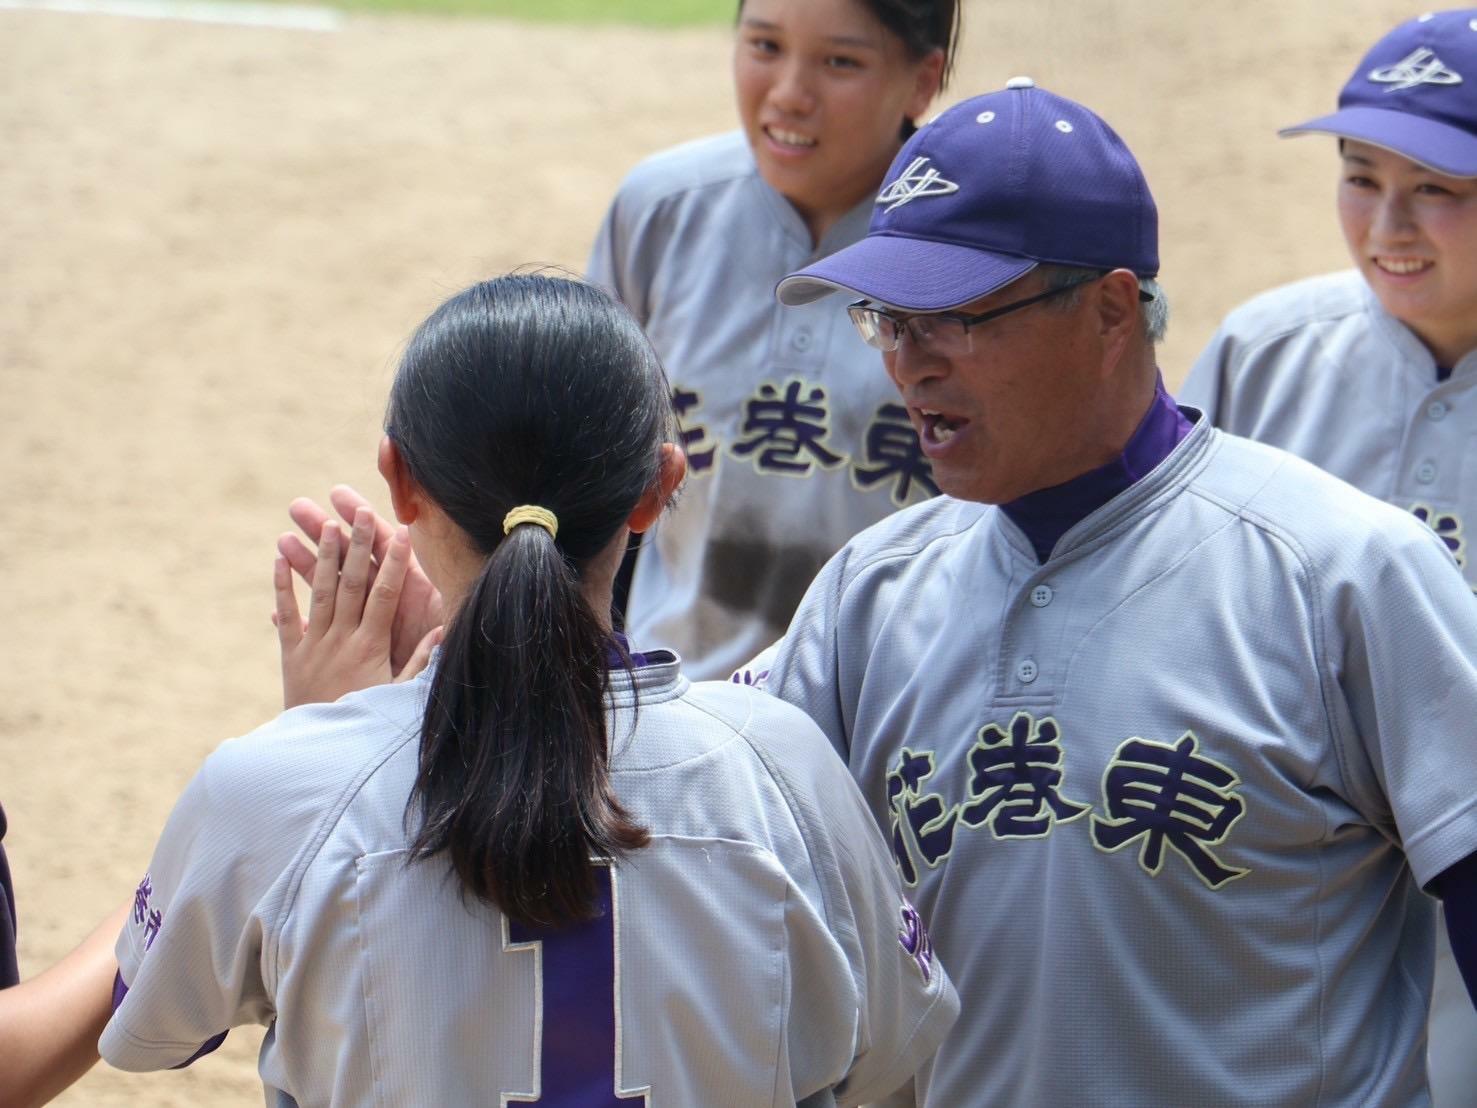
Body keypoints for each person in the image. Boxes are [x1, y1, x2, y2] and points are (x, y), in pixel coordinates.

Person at [739, 81, 1477, 1105]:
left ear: (1109, 309)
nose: (907, 364)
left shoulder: (1337, 572)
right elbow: (749, 923)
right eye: (887, 320)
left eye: (952, 318)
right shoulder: (865, 597)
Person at [98, 274, 958, 1106]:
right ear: (658, 488)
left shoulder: (273, 788)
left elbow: (157, 1029)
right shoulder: (782, 766)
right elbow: (880, 1051)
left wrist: (324, 738)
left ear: (399, 481)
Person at [286, 0, 962, 683]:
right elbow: (588, 453)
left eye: (839, 61)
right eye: (763, 46)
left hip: (891, 701)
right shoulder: (662, 209)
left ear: (921, 79)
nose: (788, 93)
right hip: (684, 693)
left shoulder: (967, 251)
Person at [1178, 11, 1477, 1101]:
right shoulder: (1264, 354)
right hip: (1277, 875)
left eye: (1439, 187)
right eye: (1359, 176)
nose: (1387, 225)